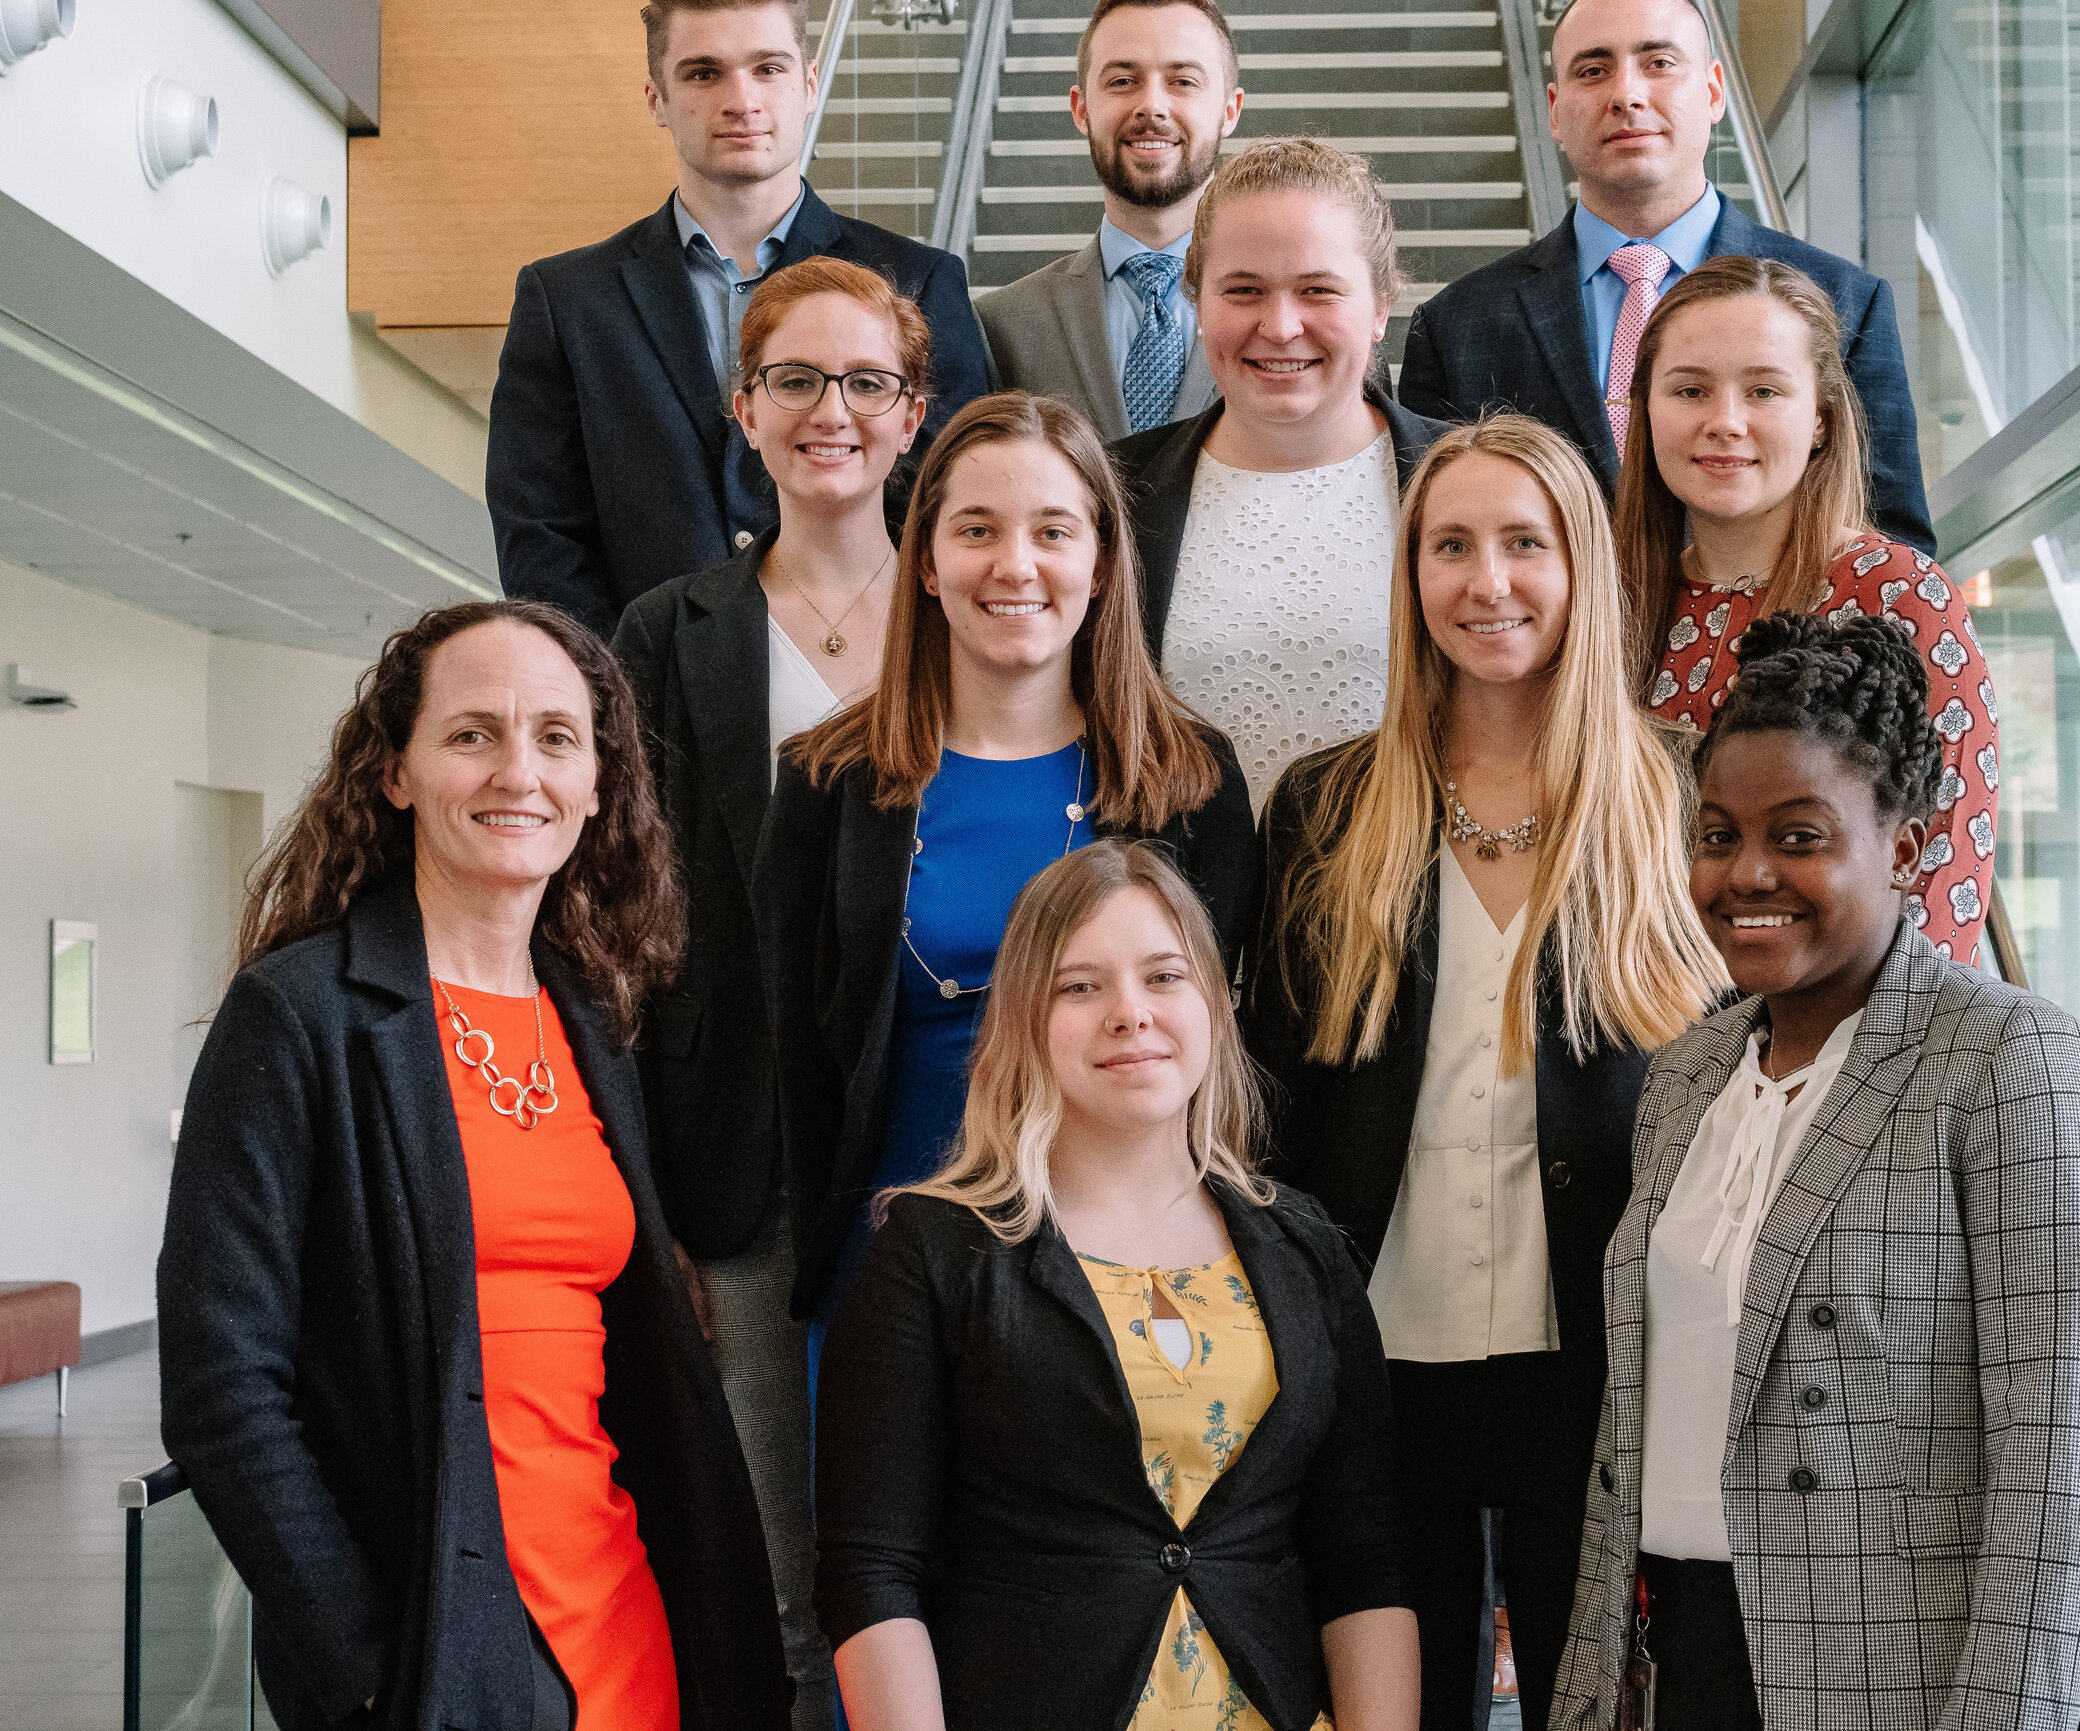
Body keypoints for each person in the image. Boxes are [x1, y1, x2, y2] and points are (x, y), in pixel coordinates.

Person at [158, 601, 783, 1731]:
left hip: (628, 1612)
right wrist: (366, 1665)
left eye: (556, 737)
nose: (518, 772)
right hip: (441, 1647)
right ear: (394, 772)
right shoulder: (299, 1017)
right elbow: (223, 1392)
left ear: (598, 784)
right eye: (471, 735)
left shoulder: (589, 1018)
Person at [1549, 612, 2080, 1731]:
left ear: (1906, 848)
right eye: (1717, 836)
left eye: (1800, 836)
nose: (1746, 874)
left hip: (1910, 1680)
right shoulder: (1684, 1078)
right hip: (1682, 1655)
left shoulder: (2011, 1060)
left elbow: (2069, 1464)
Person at [1246, 414, 1725, 1731]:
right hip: (1378, 1361)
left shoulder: (1678, 796)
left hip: (1602, 1364)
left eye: (1525, 542)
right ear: (1409, 579)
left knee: (1600, 1702)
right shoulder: (1327, 807)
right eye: (1448, 545)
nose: (1486, 580)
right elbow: (1275, 1107)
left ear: (1583, 568)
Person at [816, 840, 1421, 1731]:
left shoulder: (1306, 1247)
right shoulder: (933, 1251)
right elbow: (871, 1573)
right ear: (1024, 1020)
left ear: (1215, 1003)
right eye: (1079, 985)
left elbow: (1365, 1563)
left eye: (1164, 975)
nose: (1130, 1013)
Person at [759, 389, 1259, 1340]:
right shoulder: (828, 784)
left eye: (1054, 531)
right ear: (930, 563)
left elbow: (1223, 1054)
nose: (1015, 564)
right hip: (893, 1270)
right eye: (977, 528)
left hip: (1134, 1271)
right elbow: (791, 1058)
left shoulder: (1190, 786)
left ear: (1104, 562)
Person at [611, 255, 928, 1731]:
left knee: (942, 1547)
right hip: (735, 1161)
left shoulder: (971, 599)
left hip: (937, 1145)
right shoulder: (665, 637)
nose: (831, 410)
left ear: (915, 409)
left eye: (867, 379)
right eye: (795, 378)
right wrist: (647, 1187)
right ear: (745, 408)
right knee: (787, 1570)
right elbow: (619, 927)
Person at [487, 0, 990, 634]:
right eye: (703, 73)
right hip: (650, 713)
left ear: (809, 84)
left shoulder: (919, 281)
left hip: (873, 689)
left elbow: (958, 500)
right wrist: (625, 706)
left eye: (768, 68)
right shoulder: (567, 300)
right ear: (656, 99)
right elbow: (541, 539)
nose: (740, 99)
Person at [1398, 0, 1930, 553]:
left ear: (1713, 92)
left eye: (1659, 63)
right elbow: (1436, 545)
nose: (1627, 95)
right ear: (1554, 111)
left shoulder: (1844, 301)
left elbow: (1890, 546)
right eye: (1593, 70)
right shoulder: (1458, 327)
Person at [1618, 254, 1995, 963]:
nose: (1724, 422)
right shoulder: (1615, 602)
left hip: (1839, 1049)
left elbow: (1944, 872)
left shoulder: (1896, 594)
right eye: (1690, 390)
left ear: (1821, 419)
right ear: (1647, 412)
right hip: (1637, 1041)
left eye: (1763, 390)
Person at [1112, 136, 1454, 809]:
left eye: (1317, 290)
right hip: (1179, 901)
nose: (1280, 324)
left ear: (1381, 304)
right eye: (1243, 291)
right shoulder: (1116, 488)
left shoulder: (1468, 481)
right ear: (1197, 299)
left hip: (1413, 898)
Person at [976, 0, 1243, 440]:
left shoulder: (1297, 322)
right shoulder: (1002, 326)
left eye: (1182, 81)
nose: (1152, 107)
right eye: (1122, 81)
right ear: (1081, 108)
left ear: (1229, 110)